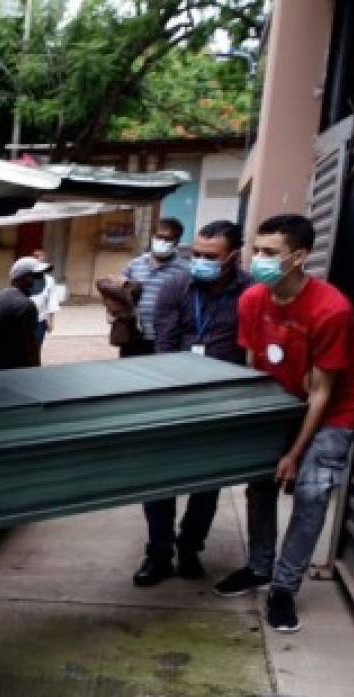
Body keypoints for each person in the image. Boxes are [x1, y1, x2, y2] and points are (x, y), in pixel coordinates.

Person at [214, 214, 354, 633]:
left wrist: (295, 453)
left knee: (312, 490)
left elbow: (321, 393)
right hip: (281, 398)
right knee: (260, 481)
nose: (258, 260)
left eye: (270, 253)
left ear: (299, 257)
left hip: (334, 407)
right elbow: (254, 366)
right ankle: (260, 566)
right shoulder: (252, 300)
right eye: (256, 250)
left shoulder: (331, 310)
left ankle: (284, 587)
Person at [131, 220, 251, 587]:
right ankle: (159, 552)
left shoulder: (251, 292)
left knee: (207, 482)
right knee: (158, 478)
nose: (199, 261)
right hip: (174, 392)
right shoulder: (176, 285)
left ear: (233, 256)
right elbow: (164, 345)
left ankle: (189, 548)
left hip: (222, 399)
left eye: (210, 256)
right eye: (196, 254)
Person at [120, 217, 189, 358]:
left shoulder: (184, 269)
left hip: (166, 338)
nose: (162, 242)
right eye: (159, 237)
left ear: (177, 242)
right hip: (134, 336)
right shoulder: (135, 264)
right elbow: (120, 291)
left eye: (168, 239)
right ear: (153, 236)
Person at [0, 256, 47, 368]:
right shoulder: (26, 306)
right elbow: (30, 348)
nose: (42, 279)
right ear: (25, 278)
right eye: (38, 276)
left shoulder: (0, 296)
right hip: (16, 368)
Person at [30, 249, 61, 346]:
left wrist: (51, 321)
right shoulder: (26, 277)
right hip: (24, 319)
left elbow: (52, 301)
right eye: (37, 260)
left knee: (37, 346)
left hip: (40, 319)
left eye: (41, 260)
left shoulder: (49, 280)